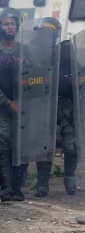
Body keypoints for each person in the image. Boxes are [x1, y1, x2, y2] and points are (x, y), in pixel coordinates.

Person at [0, 8, 28, 202]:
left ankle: (18, 187)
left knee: (23, 146)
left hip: (26, 108)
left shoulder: (25, 51)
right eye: (6, 23)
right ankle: (6, 189)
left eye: (12, 23)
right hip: (2, 107)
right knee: (1, 144)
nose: (10, 27)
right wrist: (8, 103)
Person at [33, 18, 77, 197]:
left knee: (71, 143)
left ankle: (69, 176)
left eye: (52, 35)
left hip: (65, 104)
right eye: (45, 35)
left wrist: (73, 80)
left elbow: (79, 73)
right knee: (45, 145)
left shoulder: (65, 52)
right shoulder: (32, 53)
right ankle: (42, 183)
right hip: (43, 104)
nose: (48, 38)